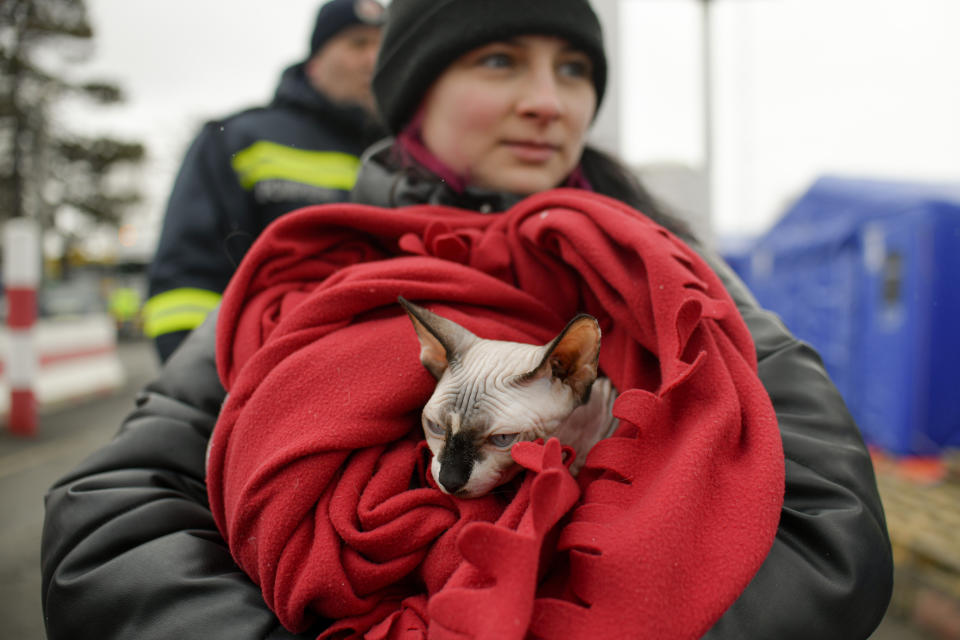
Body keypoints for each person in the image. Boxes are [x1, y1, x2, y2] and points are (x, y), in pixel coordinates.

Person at [41, 1, 894, 638]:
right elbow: (111, 524)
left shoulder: (671, 271)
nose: (548, 102)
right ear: (414, 91)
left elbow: (832, 531)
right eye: (497, 59)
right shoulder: (317, 270)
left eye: (573, 69)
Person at [144, 0, 387, 362]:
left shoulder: (414, 150)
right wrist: (203, 388)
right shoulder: (238, 139)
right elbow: (186, 281)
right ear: (315, 64)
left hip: (381, 375)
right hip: (262, 379)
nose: (373, 59)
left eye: (382, 46)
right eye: (357, 44)